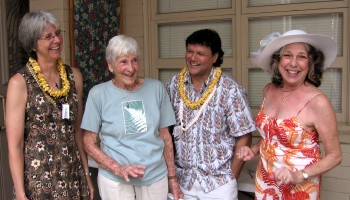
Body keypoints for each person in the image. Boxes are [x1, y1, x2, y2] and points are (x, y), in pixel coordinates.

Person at [237, 30, 342, 199]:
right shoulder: (269, 90)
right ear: (278, 61)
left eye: (302, 57)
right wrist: (253, 150)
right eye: (287, 55)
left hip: (300, 188)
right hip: (266, 180)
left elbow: (335, 156)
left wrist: (299, 175)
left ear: (311, 63)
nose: (293, 63)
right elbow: (271, 135)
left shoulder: (318, 102)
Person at [80, 35, 184, 200]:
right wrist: (118, 168)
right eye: (123, 62)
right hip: (115, 180)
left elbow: (166, 137)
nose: (131, 68)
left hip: (154, 175)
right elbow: (88, 141)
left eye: (134, 60)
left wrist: (172, 178)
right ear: (110, 66)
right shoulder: (98, 94)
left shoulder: (156, 89)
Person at [5, 11, 94, 200]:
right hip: (39, 181)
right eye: (48, 37)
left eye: (58, 33)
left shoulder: (74, 77)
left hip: (73, 175)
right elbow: (15, 145)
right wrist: (21, 194)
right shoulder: (20, 83)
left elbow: (77, 131)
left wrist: (86, 174)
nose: (57, 40)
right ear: (33, 45)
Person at [165, 29, 256, 200]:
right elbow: (165, 130)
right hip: (182, 181)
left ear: (214, 57)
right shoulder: (173, 85)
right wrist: (171, 176)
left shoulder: (230, 90)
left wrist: (231, 177)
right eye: (190, 51)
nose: (193, 58)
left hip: (218, 183)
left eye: (200, 53)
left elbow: (244, 135)